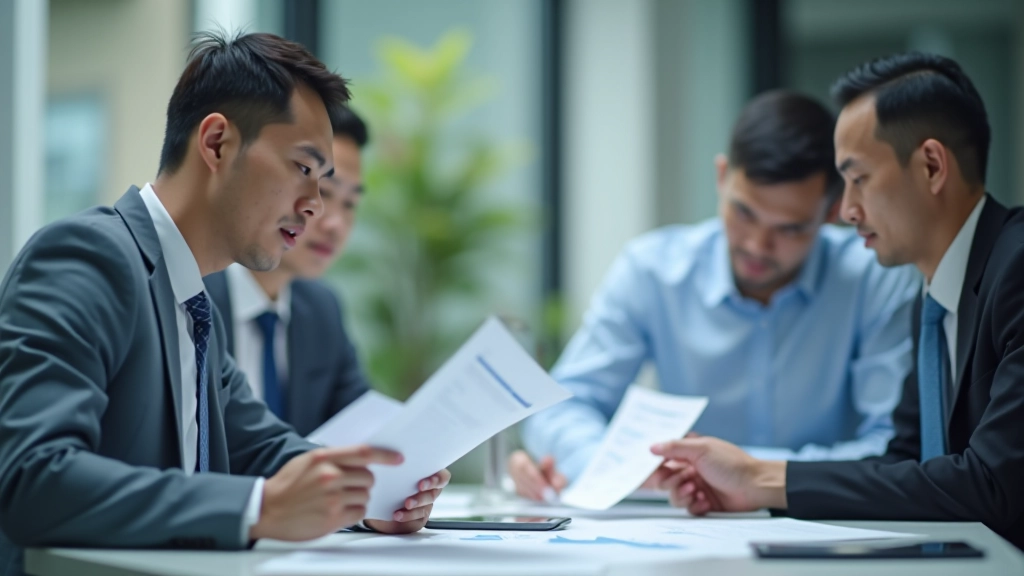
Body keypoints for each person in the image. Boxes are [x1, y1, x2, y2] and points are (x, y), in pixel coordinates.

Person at [0, 32, 448, 575]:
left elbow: (263, 447)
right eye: (303, 169)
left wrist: (374, 496)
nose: (314, 207)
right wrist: (258, 508)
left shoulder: (189, 296)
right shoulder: (89, 257)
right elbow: (31, 478)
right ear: (216, 143)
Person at [652, 53, 1024, 550]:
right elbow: (906, 464)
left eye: (859, 178)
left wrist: (763, 477)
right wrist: (754, 484)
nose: (846, 211)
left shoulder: (1016, 269)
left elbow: (993, 484)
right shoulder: (933, 303)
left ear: (932, 166)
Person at [511, 90, 921, 501]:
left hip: (821, 529)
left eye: (790, 228)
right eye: (744, 212)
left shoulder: (875, 280)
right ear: (721, 177)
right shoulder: (653, 271)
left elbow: (891, 450)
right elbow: (559, 407)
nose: (759, 246)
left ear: (833, 212)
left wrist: (747, 476)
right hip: (681, 524)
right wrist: (602, 465)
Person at [205, 106, 370, 436]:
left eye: (350, 203)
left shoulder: (321, 309)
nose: (335, 223)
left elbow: (362, 423)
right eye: (323, 190)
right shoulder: (191, 293)